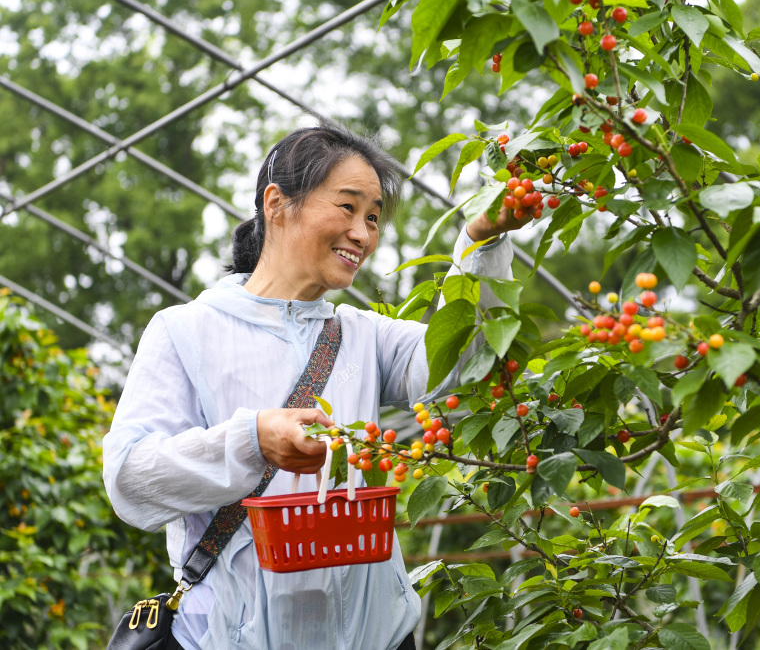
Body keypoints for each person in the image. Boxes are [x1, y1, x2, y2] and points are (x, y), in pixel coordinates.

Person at [103, 126, 527, 649]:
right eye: (347, 207)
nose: (363, 234)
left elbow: (462, 360)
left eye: (373, 217)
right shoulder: (185, 331)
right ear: (277, 204)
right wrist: (252, 440)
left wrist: (482, 240)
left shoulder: (361, 335)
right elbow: (129, 478)